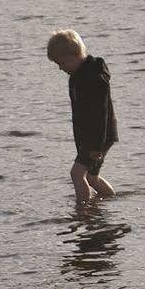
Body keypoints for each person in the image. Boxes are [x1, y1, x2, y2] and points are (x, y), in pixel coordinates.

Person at [46, 29, 118, 202]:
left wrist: (95, 146)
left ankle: (83, 210)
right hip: (91, 136)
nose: (60, 68)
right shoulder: (77, 76)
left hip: (98, 136)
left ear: (75, 55)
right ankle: (111, 200)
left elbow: (101, 113)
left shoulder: (94, 77)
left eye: (62, 63)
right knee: (91, 178)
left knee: (77, 174)